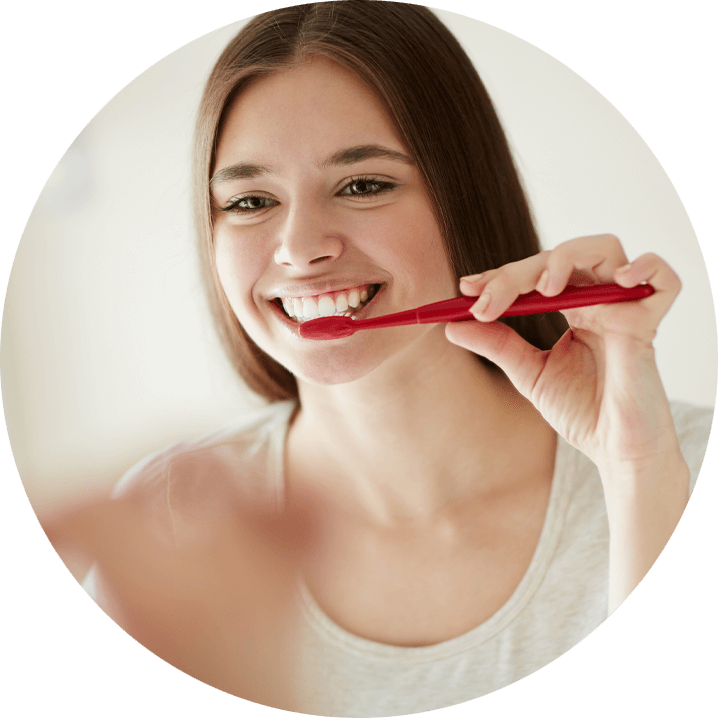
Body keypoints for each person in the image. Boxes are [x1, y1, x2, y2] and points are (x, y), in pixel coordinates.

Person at [46, 1, 711, 713]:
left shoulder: (676, 463)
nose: (301, 248)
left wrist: (637, 467)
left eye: (363, 185)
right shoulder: (172, 520)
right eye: (249, 201)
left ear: (466, 196)